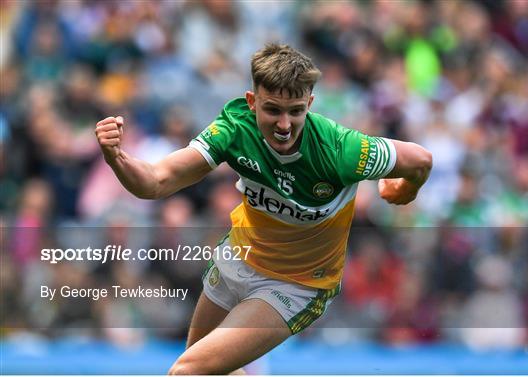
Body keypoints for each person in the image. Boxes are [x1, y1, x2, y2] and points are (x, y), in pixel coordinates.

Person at [95, 43, 432, 375]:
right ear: (252, 102)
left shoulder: (340, 149)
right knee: (211, 372)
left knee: (188, 371)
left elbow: (420, 160)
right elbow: (154, 182)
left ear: (310, 104)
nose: (284, 124)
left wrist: (404, 188)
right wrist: (117, 158)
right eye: (272, 110)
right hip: (237, 258)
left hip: (296, 285)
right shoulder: (235, 129)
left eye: (296, 111)